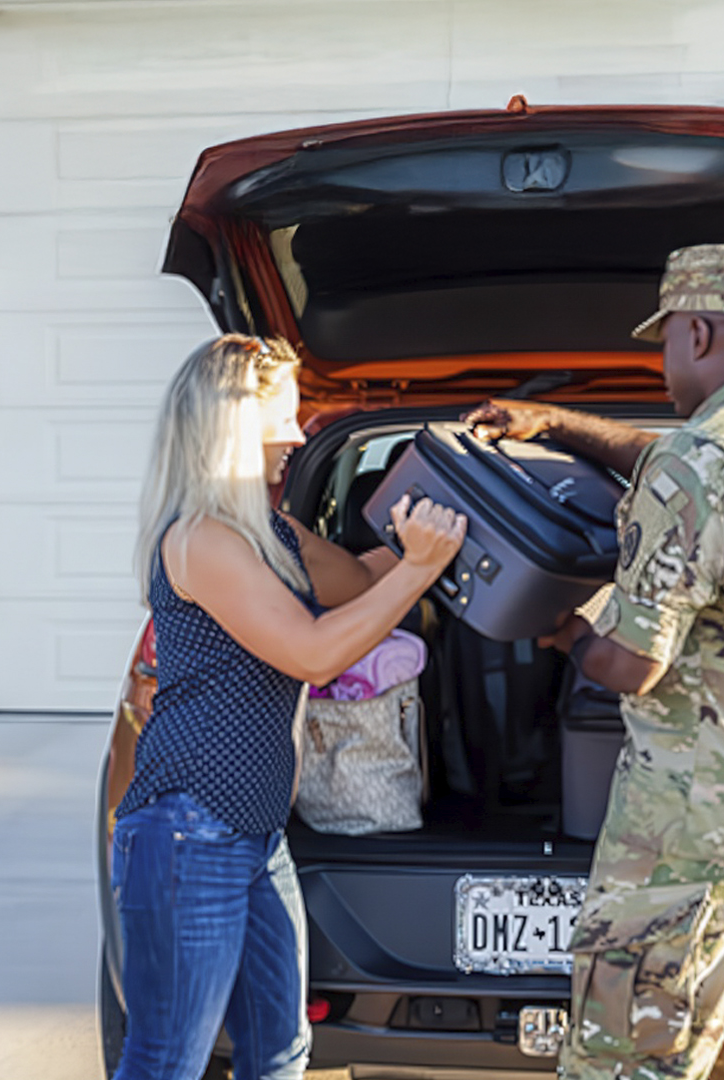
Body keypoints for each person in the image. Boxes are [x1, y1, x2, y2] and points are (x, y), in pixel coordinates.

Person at [467, 244, 724, 1080]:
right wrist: (559, 425)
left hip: (698, 819)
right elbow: (678, 463)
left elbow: (632, 665)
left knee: (632, 1056)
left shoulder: (697, 466)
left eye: (662, 342)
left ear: (693, 330)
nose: (662, 363)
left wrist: (566, 632)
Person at [113, 333, 466, 1080]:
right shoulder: (201, 538)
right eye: (287, 417)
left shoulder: (272, 534)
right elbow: (311, 651)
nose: (301, 436)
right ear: (235, 425)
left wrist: (440, 530)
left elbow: (364, 579)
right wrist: (419, 574)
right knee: (166, 1060)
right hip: (187, 831)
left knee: (279, 1052)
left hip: (252, 831)